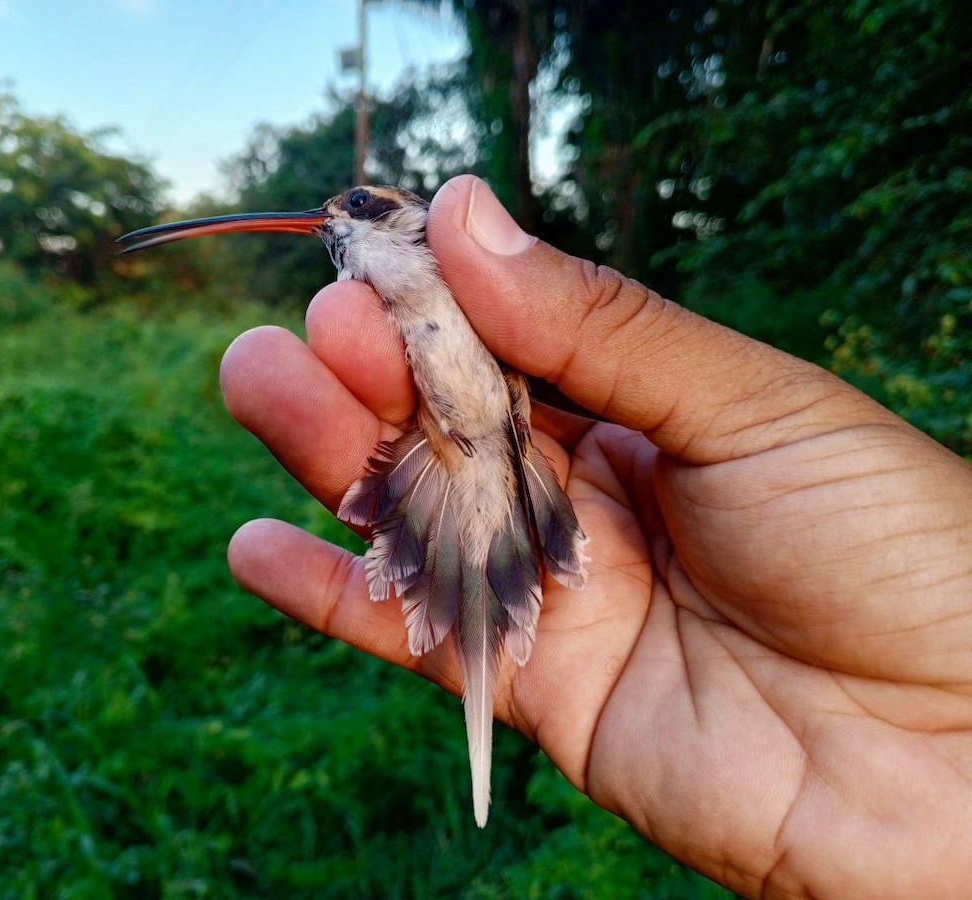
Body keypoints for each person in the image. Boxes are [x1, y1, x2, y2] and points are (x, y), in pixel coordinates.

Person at [218, 175, 972, 897]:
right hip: (454, 442)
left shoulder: (454, 264)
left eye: (356, 208)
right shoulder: (377, 299)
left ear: (411, 219)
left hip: (496, 433)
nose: (339, 226)